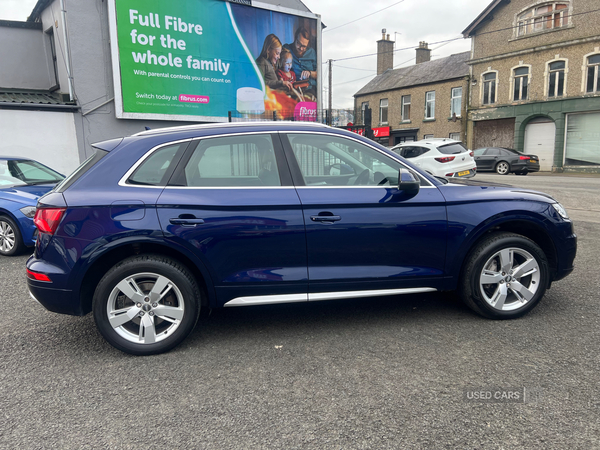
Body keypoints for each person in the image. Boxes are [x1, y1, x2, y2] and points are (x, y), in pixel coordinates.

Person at [283, 27, 317, 92]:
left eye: (304, 46)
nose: (301, 49)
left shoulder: (312, 52)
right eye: (299, 44)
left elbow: (319, 74)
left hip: (311, 88)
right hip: (293, 89)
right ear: (295, 38)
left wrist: (309, 73)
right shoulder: (286, 49)